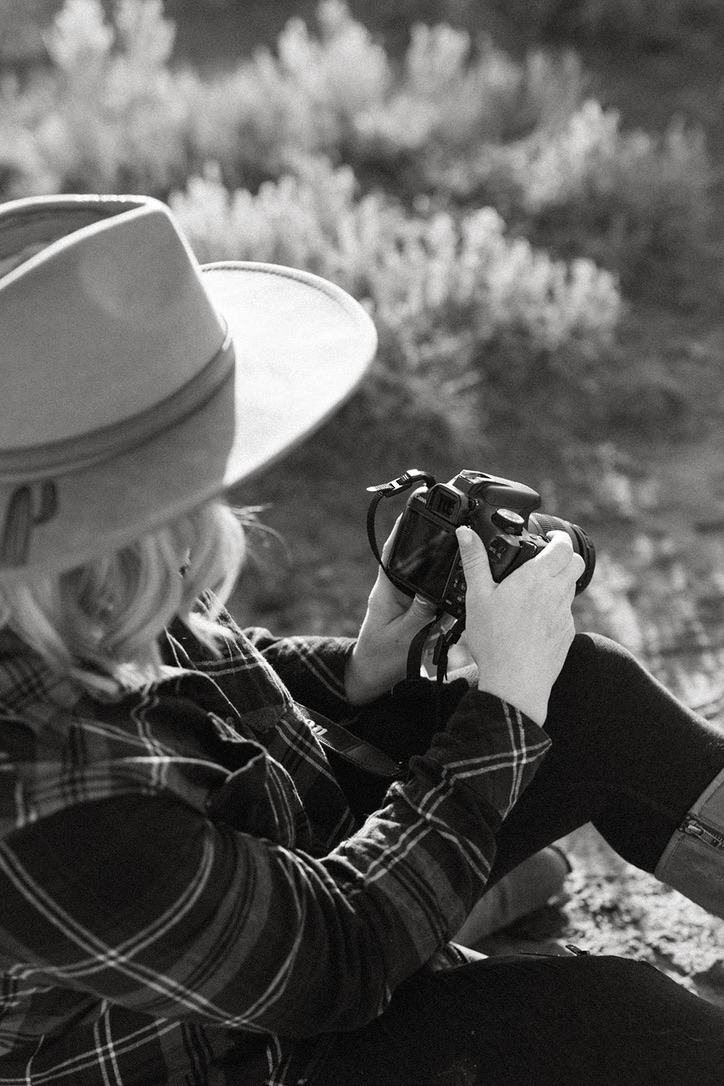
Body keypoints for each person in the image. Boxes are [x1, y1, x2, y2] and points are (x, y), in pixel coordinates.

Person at [0, 192, 721, 1086]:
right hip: (243, 1040)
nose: (219, 488)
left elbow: (197, 684)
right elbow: (339, 959)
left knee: (587, 691)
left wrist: (364, 667)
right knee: (617, 1022)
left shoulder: (68, 591)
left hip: (287, 895)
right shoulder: (44, 803)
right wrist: (502, 708)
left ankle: (478, 911)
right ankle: (478, 923)